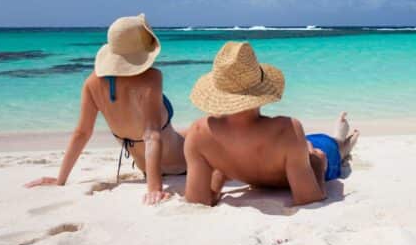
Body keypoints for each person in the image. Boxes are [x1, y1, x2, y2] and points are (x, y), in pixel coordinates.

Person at [25, 14, 186, 205]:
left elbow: (82, 133)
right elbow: (151, 135)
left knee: (189, 131)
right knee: (208, 126)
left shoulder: (92, 83)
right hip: (180, 163)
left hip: (147, 166)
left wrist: (61, 180)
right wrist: (154, 189)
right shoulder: (151, 78)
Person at [183, 41, 359, 206]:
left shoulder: (199, 132)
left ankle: (342, 138)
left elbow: (198, 201)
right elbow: (308, 199)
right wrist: (318, 165)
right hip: (296, 155)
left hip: (293, 151)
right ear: (260, 90)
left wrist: (222, 172)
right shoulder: (286, 130)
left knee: (308, 142)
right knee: (327, 146)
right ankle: (342, 140)